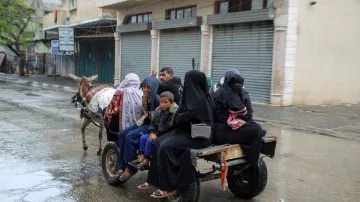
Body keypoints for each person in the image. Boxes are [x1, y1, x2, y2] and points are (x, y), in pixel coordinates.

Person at [148, 70, 214, 198]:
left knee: (166, 146)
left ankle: (168, 187)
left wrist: (180, 116)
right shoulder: (204, 97)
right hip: (199, 133)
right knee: (162, 141)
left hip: (199, 136)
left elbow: (180, 118)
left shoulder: (196, 100)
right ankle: (155, 179)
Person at [211, 73, 264, 175]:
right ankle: (253, 161)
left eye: (240, 84)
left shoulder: (227, 91)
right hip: (220, 131)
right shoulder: (227, 94)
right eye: (237, 84)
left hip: (224, 127)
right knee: (256, 130)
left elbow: (245, 113)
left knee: (255, 127)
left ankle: (252, 160)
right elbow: (243, 112)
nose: (239, 87)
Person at [116, 76, 160, 182]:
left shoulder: (157, 99)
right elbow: (145, 114)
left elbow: (158, 120)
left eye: (148, 87)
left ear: (153, 88)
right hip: (144, 121)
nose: (145, 89)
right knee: (122, 134)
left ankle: (130, 169)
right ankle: (122, 165)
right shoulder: (144, 97)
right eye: (143, 87)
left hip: (152, 126)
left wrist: (154, 131)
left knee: (130, 137)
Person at [134, 91, 179, 189]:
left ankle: (146, 160)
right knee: (143, 138)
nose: (162, 104)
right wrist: (151, 131)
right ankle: (142, 157)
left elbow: (168, 127)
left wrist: (156, 134)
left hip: (166, 134)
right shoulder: (158, 110)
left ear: (171, 102)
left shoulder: (174, 112)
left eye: (165, 102)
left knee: (150, 141)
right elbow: (153, 123)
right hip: (156, 132)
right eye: (161, 102)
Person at [104, 73, 143, 141]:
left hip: (123, 126)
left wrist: (107, 114)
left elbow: (113, 109)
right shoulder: (142, 92)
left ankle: (112, 139)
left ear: (126, 81)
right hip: (139, 124)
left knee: (105, 112)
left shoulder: (120, 93)